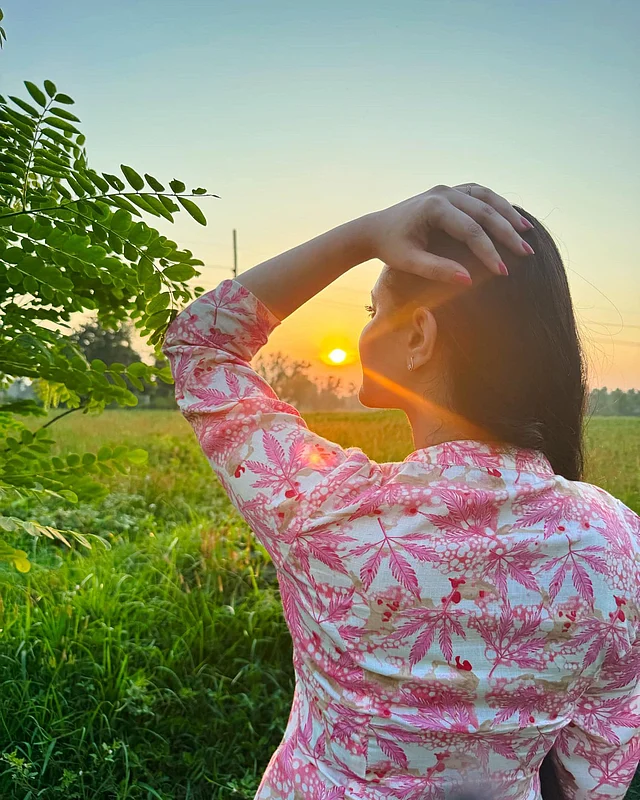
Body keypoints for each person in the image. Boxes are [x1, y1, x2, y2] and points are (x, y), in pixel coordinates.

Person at [162, 184, 640, 800]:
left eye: (371, 311)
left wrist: (364, 234)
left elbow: (203, 346)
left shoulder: (326, 509)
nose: (364, 331)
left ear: (419, 336)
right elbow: (597, 763)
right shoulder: (617, 543)